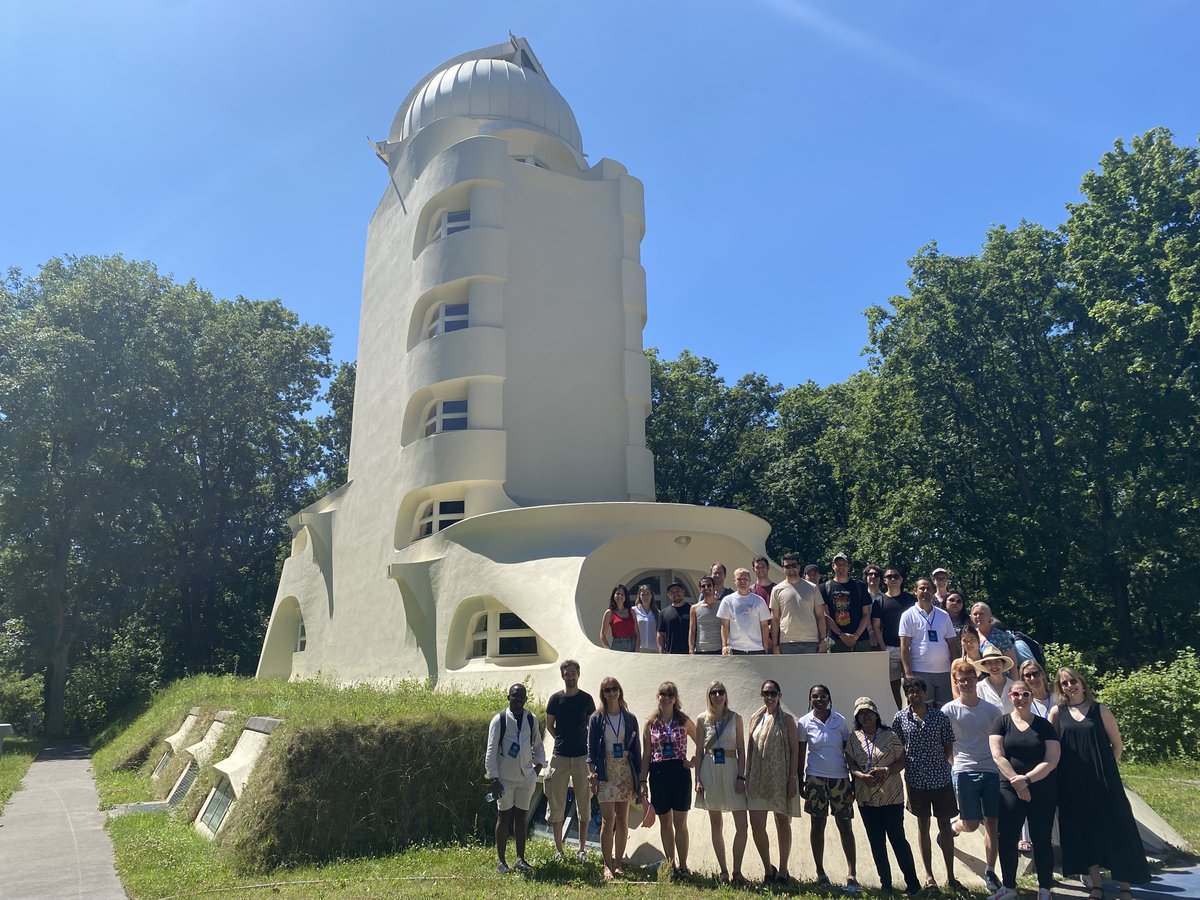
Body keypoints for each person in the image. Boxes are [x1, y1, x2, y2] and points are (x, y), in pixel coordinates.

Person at [1049, 668, 1150, 900]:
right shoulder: (1057, 712)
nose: (1069, 686)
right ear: (1060, 687)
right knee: (1085, 832)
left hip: (1105, 783)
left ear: (1082, 683)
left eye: (1073, 681)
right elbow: (1051, 746)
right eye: (1064, 683)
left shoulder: (1100, 710)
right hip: (1073, 785)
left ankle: (1125, 887)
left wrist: (1106, 769)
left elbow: (1118, 745)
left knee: (1117, 831)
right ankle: (1096, 885)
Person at [989, 679, 1060, 900]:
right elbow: (998, 755)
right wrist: (1017, 782)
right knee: (1007, 836)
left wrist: (1027, 780)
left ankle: (1045, 889)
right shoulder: (1001, 723)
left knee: (1041, 838)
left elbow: (1052, 759)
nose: (1021, 699)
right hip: (1009, 788)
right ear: (1010, 697)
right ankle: (1009, 887)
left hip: (1042, 787)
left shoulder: (1044, 725)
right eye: (1016, 695)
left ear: (1031, 697)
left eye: (1025, 695)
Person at [846, 696, 921, 896]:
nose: (865, 716)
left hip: (891, 797)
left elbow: (902, 760)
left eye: (868, 712)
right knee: (876, 842)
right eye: (861, 713)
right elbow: (851, 763)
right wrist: (861, 775)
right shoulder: (854, 738)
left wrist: (887, 769)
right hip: (866, 797)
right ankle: (886, 884)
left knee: (898, 839)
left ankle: (913, 883)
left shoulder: (890, 736)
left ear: (876, 714)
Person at [892, 676, 960, 891]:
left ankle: (951, 875)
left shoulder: (939, 717)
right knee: (923, 827)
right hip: (916, 780)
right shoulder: (900, 718)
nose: (915, 695)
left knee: (945, 828)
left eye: (918, 691)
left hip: (940, 778)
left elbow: (948, 745)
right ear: (906, 695)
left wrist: (946, 765)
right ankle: (929, 877)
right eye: (910, 692)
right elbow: (898, 746)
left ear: (925, 693)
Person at [943, 658, 1003, 894]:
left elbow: (999, 740)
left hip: (990, 770)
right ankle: (952, 827)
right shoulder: (948, 710)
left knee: (992, 823)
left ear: (976, 679)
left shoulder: (991, 710)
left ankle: (990, 870)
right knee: (970, 823)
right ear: (956, 683)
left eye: (969, 679)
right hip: (964, 771)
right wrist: (954, 764)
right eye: (961, 680)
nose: (966, 683)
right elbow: (945, 742)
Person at [798, 684, 860, 893]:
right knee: (817, 824)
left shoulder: (840, 721)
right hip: (815, 778)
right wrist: (800, 779)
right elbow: (801, 753)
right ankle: (820, 872)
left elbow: (848, 751)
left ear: (829, 698)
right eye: (815, 696)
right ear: (810, 699)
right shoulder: (804, 722)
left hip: (840, 779)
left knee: (845, 825)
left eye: (823, 696)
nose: (819, 699)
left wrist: (853, 778)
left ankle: (852, 873)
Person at [485, 683, 546, 873]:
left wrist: (538, 767)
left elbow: (538, 743)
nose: (518, 699)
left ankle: (520, 859)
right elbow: (491, 751)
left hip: (526, 777)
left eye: (521, 696)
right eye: (514, 695)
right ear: (508, 697)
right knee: (503, 818)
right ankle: (501, 862)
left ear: (526, 699)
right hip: (505, 779)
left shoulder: (531, 718)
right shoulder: (500, 720)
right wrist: (494, 778)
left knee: (521, 818)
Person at [587, 676, 643, 880]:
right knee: (607, 819)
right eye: (607, 690)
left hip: (625, 769)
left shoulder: (629, 718)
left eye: (614, 689)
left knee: (622, 818)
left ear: (619, 691)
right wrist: (592, 774)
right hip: (605, 769)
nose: (611, 693)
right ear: (603, 694)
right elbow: (591, 749)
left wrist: (640, 779)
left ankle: (618, 864)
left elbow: (636, 750)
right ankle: (607, 865)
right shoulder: (596, 718)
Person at [745, 679, 800, 885]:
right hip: (757, 779)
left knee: (782, 822)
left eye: (773, 693)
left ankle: (783, 870)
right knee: (757, 825)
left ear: (780, 695)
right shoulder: (754, 718)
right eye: (766, 693)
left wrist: (792, 779)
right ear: (762, 695)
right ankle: (768, 869)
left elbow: (795, 751)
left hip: (779, 779)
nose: (770, 697)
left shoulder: (787, 721)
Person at [694, 680, 748, 885]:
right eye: (713, 692)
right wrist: (697, 779)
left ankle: (737, 870)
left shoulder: (736, 718)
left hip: (732, 769)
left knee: (742, 824)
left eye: (721, 691)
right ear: (709, 695)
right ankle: (724, 871)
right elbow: (698, 751)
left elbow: (742, 750)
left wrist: (741, 776)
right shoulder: (701, 719)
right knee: (716, 823)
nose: (717, 695)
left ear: (726, 695)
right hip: (710, 771)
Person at [641, 681, 697, 877]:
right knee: (665, 822)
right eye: (663, 694)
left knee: (680, 823)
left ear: (675, 699)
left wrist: (694, 761)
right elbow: (646, 754)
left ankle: (683, 866)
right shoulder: (650, 723)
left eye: (670, 694)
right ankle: (671, 866)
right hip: (658, 773)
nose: (666, 697)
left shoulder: (683, 721)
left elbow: (702, 741)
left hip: (679, 772)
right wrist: (642, 781)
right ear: (658, 696)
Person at [544, 660, 597, 861]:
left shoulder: (586, 700)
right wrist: (561, 738)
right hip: (560, 757)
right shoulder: (555, 700)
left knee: (584, 804)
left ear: (578, 674)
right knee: (556, 803)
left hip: (583, 757)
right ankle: (559, 850)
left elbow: (593, 726)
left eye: (573, 673)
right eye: (567, 674)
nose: (570, 676)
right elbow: (550, 725)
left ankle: (581, 850)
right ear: (562, 675)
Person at [899, 578, 960, 707]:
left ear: (932, 592)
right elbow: (904, 647)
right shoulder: (907, 615)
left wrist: (956, 671)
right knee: (924, 711)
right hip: (920, 671)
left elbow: (953, 645)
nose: (925, 591)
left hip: (944, 672)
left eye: (928, 588)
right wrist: (909, 675)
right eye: (922, 588)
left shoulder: (943, 615)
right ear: (915, 591)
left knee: (946, 710)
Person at [873, 568, 917, 709]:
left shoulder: (911, 600)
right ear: (884, 580)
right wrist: (883, 648)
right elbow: (876, 627)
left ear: (901, 579)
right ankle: (899, 713)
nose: (892, 579)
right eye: (889, 577)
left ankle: (913, 712)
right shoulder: (879, 602)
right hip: (890, 648)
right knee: (893, 685)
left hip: (910, 649)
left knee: (911, 683)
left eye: (895, 576)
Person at [770, 552, 827, 655]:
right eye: (787, 566)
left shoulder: (812, 588)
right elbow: (775, 619)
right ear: (783, 569)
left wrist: (822, 640)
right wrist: (775, 645)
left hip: (811, 642)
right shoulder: (776, 590)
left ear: (799, 567)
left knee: (812, 672)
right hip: (787, 643)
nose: (791, 568)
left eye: (794, 565)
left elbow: (820, 616)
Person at [821, 552, 873, 653]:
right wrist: (841, 635)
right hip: (836, 640)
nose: (841, 567)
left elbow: (866, 614)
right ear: (833, 566)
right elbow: (826, 615)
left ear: (848, 566)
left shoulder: (860, 586)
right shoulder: (824, 587)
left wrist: (856, 635)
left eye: (844, 564)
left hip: (861, 639)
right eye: (838, 564)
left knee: (863, 668)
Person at [718, 568, 772, 655]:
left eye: (745, 579)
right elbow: (724, 625)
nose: (742, 581)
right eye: (739, 579)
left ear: (749, 581)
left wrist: (765, 646)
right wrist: (725, 646)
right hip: (734, 649)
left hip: (756, 648)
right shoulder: (727, 600)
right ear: (734, 581)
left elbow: (764, 625)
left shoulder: (759, 601)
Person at [970, 603, 1019, 672]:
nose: (978, 616)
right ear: (971, 617)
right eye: (975, 614)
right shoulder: (970, 636)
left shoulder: (1001, 636)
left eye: (981, 614)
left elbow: (1012, 665)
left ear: (990, 616)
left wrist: (1014, 682)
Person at [975, 647, 1015, 714]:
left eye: (997, 662)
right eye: (989, 663)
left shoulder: (1013, 686)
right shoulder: (979, 687)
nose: (994, 666)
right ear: (985, 666)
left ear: (1003, 664)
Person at [689, 576, 723, 654]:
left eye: (709, 585)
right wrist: (691, 650)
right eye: (703, 586)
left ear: (714, 587)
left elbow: (726, 627)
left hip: (718, 650)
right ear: (700, 589)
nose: (706, 588)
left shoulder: (722, 605)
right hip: (701, 650)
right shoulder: (694, 608)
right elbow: (692, 631)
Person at [600, 584, 639, 652]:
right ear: (613, 596)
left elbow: (637, 634)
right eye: (617, 594)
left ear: (625, 596)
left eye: (622, 594)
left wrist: (637, 650)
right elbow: (602, 635)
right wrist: (608, 650)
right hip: (618, 645)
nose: (620, 596)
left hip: (632, 644)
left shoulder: (631, 611)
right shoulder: (609, 613)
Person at [657, 580, 692, 654]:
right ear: (668, 595)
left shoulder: (692, 610)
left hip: (690, 654)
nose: (675, 593)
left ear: (683, 591)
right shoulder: (663, 613)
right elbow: (660, 634)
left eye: (678, 590)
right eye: (672, 592)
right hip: (670, 654)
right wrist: (661, 652)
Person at [632, 584, 658, 654]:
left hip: (654, 649)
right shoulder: (633, 611)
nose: (645, 597)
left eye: (648, 594)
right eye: (643, 594)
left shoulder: (657, 612)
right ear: (639, 596)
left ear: (651, 595)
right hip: (639, 648)